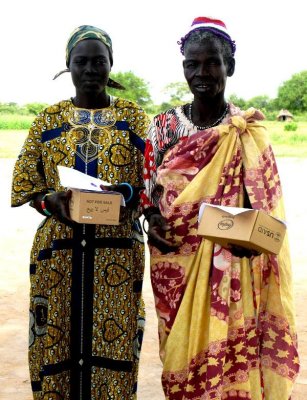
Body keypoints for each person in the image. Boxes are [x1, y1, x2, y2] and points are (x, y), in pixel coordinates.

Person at [141, 17, 299, 399]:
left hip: (233, 266)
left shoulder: (246, 131)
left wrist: (255, 239)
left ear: (229, 66)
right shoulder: (164, 126)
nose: (201, 73)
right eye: (191, 64)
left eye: (211, 62)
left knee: (233, 359)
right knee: (180, 356)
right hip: (175, 262)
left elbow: (266, 208)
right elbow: (149, 196)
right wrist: (155, 223)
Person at [11, 25, 150, 399]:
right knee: (56, 344)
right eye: (81, 61)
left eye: (98, 61)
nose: (90, 69)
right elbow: (26, 183)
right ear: (68, 66)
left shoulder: (135, 119)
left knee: (115, 345)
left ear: (111, 65)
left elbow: (155, 183)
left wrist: (127, 193)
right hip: (58, 254)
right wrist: (49, 201)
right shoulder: (48, 121)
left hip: (117, 253)